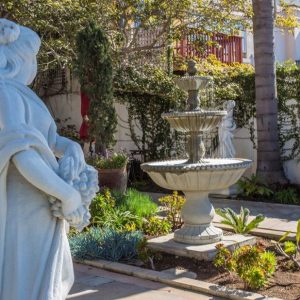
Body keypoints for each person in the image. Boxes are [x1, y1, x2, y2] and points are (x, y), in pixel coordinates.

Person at [0, 19, 97, 300]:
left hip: (43, 198)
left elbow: (51, 140)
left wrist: (74, 150)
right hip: (28, 200)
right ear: (15, 60)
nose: (36, 64)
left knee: (43, 275)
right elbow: (21, 153)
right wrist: (67, 195)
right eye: (32, 58)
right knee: (27, 276)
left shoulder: (24, 96)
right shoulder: (6, 94)